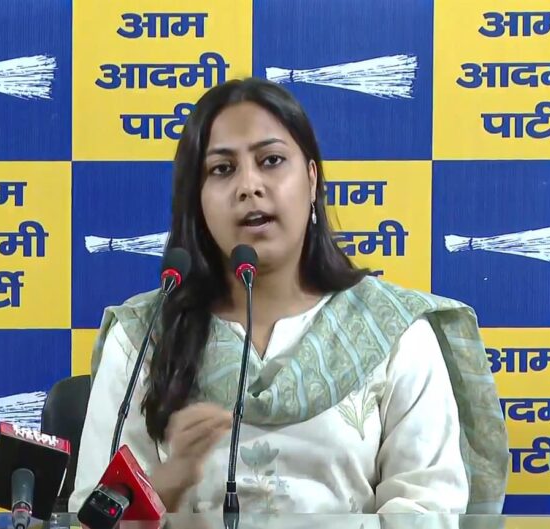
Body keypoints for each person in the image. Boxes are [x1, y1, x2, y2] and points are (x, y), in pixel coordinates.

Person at [70, 78, 509, 515]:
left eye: (271, 160)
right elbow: (93, 516)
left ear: (312, 179)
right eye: (222, 169)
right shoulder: (144, 336)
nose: (249, 185)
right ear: (197, 200)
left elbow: (428, 508)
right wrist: (168, 484)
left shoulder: (393, 330)